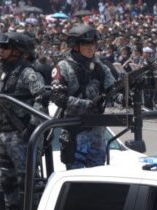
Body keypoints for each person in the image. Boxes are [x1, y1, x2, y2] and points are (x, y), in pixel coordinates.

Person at [0, 32, 46, 210]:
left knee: (26, 181)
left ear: (18, 51)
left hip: (21, 135)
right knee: (7, 181)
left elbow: (42, 97)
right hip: (2, 134)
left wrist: (32, 127)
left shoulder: (27, 73)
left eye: (5, 48)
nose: (0, 51)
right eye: (0, 48)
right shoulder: (2, 72)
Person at [48, 24, 115, 170]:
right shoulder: (63, 67)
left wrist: (127, 95)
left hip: (96, 132)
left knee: (97, 176)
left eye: (93, 43)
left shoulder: (101, 67)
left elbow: (113, 90)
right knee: (75, 178)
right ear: (75, 45)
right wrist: (88, 104)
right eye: (86, 44)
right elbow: (58, 97)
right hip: (74, 130)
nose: (91, 47)